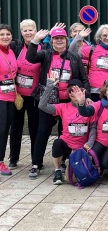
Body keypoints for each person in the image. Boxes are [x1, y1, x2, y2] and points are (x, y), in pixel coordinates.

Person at [26, 27, 90, 179]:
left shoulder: (74, 56)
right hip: (49, 99)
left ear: (66, 40)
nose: (59, 40)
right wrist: (35, 41)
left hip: (68, 100)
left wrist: (85, 95)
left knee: (65, 132)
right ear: (52, 41)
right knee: (43, 131)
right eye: (56, 38)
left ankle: (63, 162)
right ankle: (36, 164)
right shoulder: (46, 54)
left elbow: (84, 78)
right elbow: (30, 58)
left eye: (62, 38)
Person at [38, 75, 96, 185]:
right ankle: (58, 170)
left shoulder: (89, 107)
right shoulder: (63, 107)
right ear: (69, 94)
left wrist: (90, 142)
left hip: (83, 147)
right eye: (72, 91)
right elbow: (42, 106)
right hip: (67, 145)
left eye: (79, 90)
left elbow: (93, 127)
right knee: (57, 143)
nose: (75, 94)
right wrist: (49, 86)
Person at [8, 19, 41, 170]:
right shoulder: (15, 47)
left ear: (36, 31)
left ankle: (36, 160)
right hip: (18, 95)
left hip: (35, 95)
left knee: (34, 127)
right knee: (16, 127)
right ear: (21, 32)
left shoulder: (43, 48)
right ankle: (13, 158)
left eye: (31, 30)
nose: (28, 33)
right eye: (25, 30)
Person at [77, 79, 108, 172]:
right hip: (100, 141)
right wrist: (81, 103)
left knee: (106, 163)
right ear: (104, 92)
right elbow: (85, 112)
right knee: (92, 157)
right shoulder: (99, 105)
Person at [70, 24, 108, 101]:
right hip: (94, 92)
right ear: (100, 37)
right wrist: (79, 37)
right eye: (104, 35)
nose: (107, 38)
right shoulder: (92, 50)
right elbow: (72, 52)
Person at [0, 24, 18, 176]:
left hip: (11, 96)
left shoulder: (11, 51)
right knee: (0, 130)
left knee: (6, 130)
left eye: (7, 34)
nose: (5, 37)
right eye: (2, 34)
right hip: (0, 97)